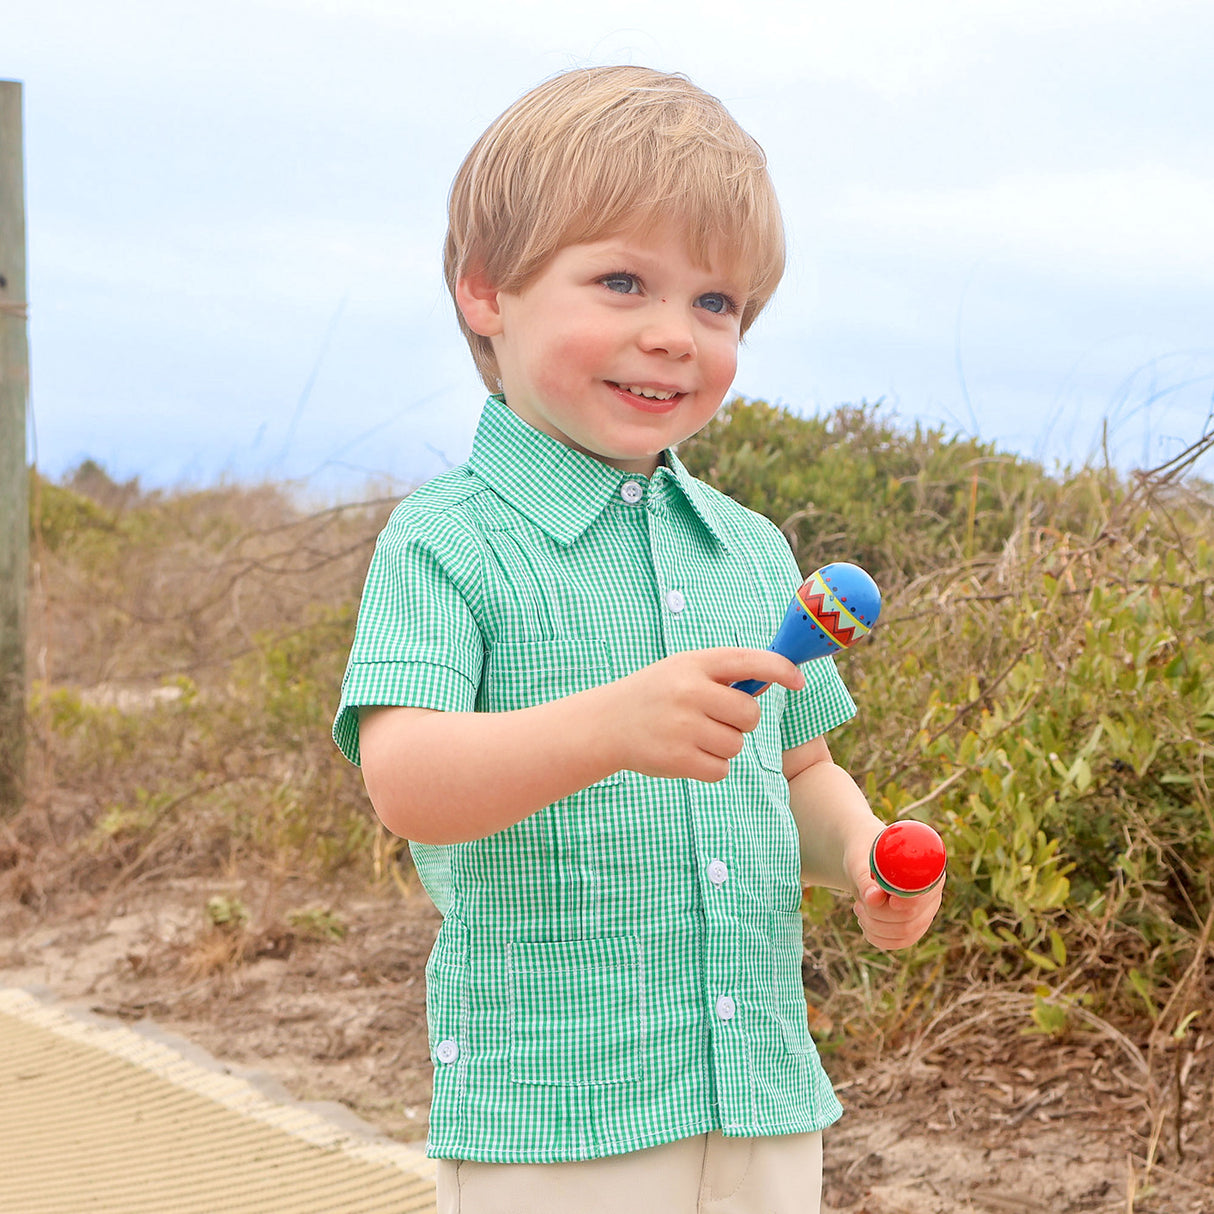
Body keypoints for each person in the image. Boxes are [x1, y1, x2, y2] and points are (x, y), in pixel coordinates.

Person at [333, 65, 943, 1214]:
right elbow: (404, 779)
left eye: (715, 303)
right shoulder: (447, 539)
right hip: (555, 1114)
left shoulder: (749, 549)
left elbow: (795, 770)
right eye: (622, 282)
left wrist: (863, 851)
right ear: (486, 290)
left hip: (757, 1091)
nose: (672, 335)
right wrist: (609, 726)